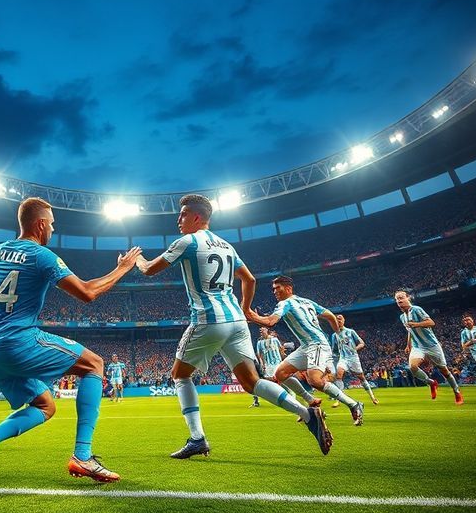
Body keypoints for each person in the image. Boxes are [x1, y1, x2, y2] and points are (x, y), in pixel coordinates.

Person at [0, 197, 142, 490]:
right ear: (40, 224)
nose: (53, 230)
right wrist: (123, 268)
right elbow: (87, 293)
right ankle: (83, 455)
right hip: (18, 342)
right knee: (95, 364)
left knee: (45, 405)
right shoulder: (41, 255)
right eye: (52, 224)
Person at [135, 194, 332, 457]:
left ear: (196, 217)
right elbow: (249, 279)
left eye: (182, 215)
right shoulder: (228, 246)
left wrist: (132, 261)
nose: (178, 219)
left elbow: (148, 269)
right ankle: (307, 414)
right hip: (237, 322)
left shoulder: (188, 242)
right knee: (252, 382)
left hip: (209, 320)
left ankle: (197, 438)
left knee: (180, 375)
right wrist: (246, 309)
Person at [246, 275, 365, 426]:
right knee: (280, 374)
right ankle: (311, 400)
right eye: (273, 289)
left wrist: (251, 315)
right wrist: (337, 333)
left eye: (278, 288)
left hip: (317, 344)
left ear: (288, 288)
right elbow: (329, 315)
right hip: (306, 345)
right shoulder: (307, 301)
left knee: (314, 380)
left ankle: (353, 404)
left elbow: (271, 322)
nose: (275, 292)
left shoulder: (285, 303)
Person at [395, 290, 462, 405]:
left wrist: (416, 324)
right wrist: (408, 344)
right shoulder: (402, 317)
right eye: (397, 299)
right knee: (413, 367)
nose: (399, 300)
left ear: (408, 298)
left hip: (431, 345)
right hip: (417, 346)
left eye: (401, 297)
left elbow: (431, 323)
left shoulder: (416, 310)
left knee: (444, 371)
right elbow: (410, 331)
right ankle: (431, 382)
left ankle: (457, 392)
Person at [332, 315, 378, 405]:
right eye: (336, 320)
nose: (338, 321)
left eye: (340, 319)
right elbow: (334, 350)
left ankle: (372, 397)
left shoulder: (350, 332)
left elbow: (362, 343)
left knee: (361, 378)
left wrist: (355, 349)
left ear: (343, 321)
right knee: (339, 375)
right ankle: (339, 400)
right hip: (343, 358)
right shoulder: (334, 335)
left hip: (353, 358)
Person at [252, 328, 286, 408]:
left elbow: (281, 349)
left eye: (262, 330)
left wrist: (282, 358)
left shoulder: (274, 339)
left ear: (267, 330)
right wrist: (262, 363)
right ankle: (256, 400)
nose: (261, 331)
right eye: (260, 330)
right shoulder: (260, 342)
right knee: (262, 380)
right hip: (267, 364)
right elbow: (259, 353)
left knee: (281, 379)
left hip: (277, 362)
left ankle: (287, 396)